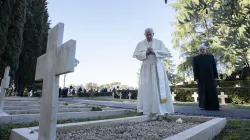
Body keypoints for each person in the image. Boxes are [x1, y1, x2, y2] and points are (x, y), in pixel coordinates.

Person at [133, 28, 174, 115]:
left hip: (157, 68)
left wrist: (154, 51)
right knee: (146, 88)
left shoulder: (159, 43)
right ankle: (147, 109)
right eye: (147, 35)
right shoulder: (140, 44)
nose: (149, 36)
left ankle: (162, 108)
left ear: (153, 34)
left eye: (150, 34)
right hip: (146, 69)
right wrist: (145, 53)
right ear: (145, 35)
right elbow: (136, 55)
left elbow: (165, 53)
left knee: (158, 88)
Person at [192, 45, 220, 110]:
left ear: (205, 50)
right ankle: (203, 106)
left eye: (203, 49)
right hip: (201, 78)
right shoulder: (195, 58)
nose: (202, 50)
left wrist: (215, 76)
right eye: (201, 49)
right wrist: (196, 77)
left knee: (212, 91)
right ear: (199, 51)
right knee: (202, 92)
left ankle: (214, 106)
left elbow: (214, 66)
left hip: (211, 77)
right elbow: (194, 69)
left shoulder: (210, 57)